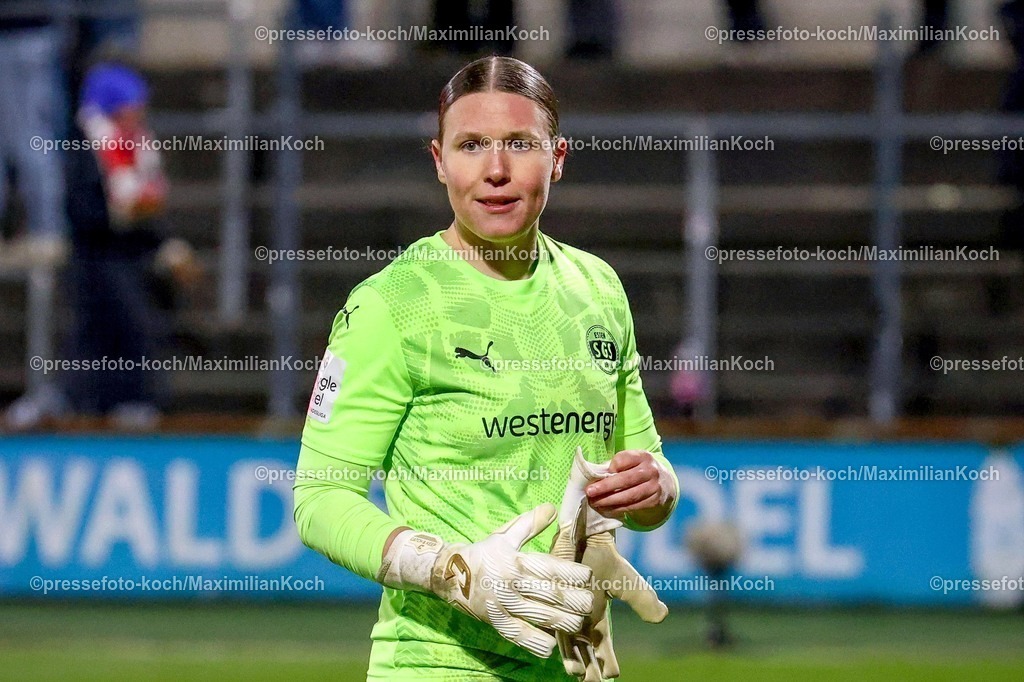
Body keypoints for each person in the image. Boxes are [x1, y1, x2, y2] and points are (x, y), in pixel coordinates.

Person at [293, 56, 679, 680]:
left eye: (519, 145)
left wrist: (657, 486)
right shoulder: (390, 305)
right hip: (442, 663)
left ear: (558, 158)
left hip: (582, 665)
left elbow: (644, 475)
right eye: (471, 145)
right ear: (440, 160)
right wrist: (451, 569)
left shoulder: (598, 288)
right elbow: (320, 498)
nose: (496, 171)